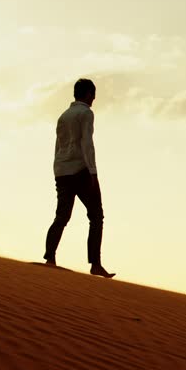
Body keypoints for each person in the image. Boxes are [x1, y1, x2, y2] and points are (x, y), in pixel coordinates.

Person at [43, 78, 115, 278]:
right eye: (93, 93)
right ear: (87, 94)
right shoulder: (86, 113)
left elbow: (58, 145)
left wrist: (58, 169)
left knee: (62, 216)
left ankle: (50, 257)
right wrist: (93, 172)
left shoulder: (63, 116)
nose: (94, 98)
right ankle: (95, 264)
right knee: (96, 216)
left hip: (62, 170)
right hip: (81, 171)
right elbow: (87, 143)